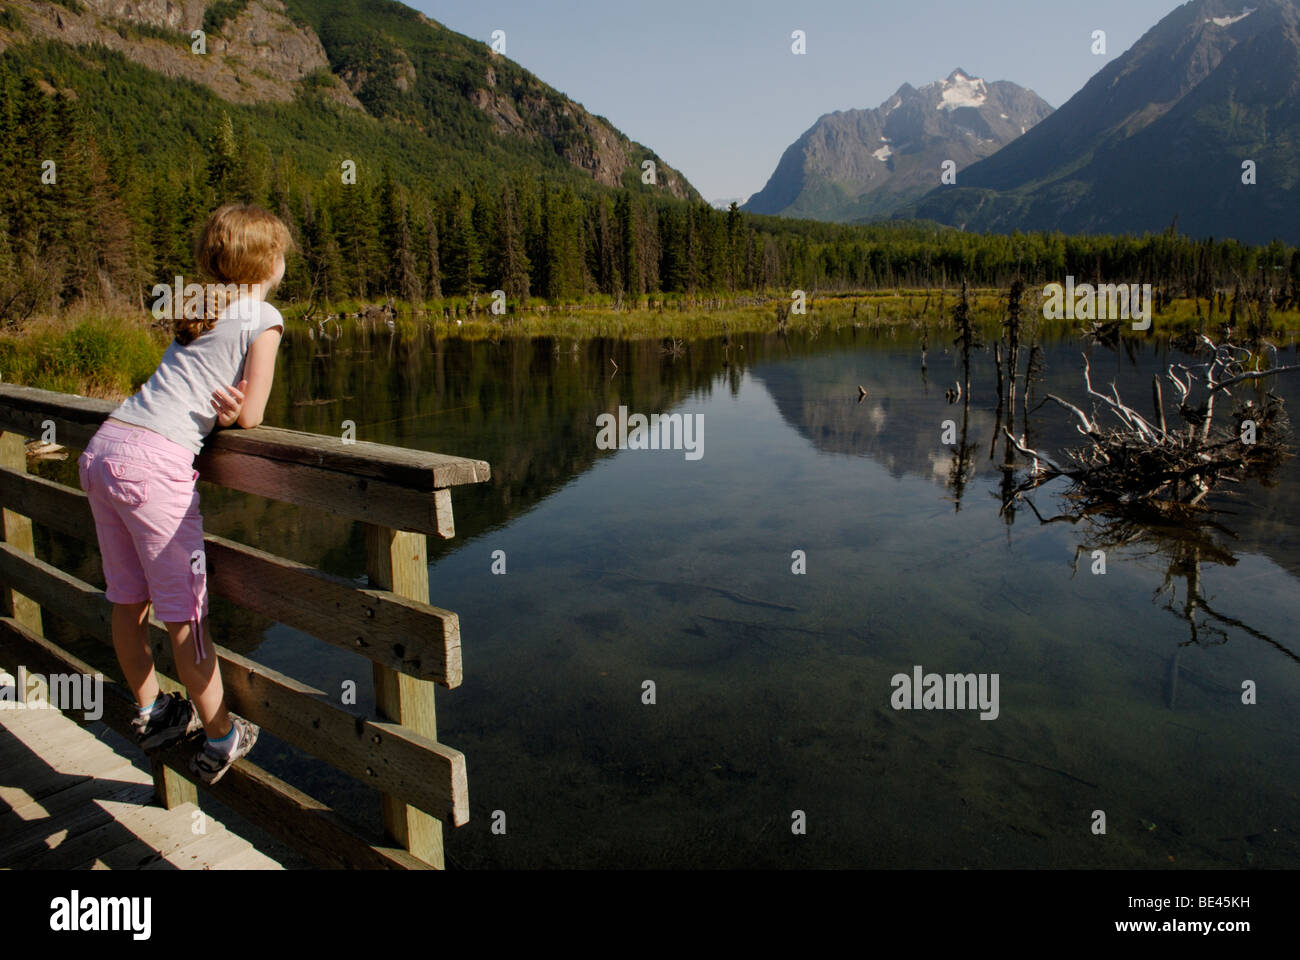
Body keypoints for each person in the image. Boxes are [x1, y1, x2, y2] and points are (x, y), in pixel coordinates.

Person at [77, 203, 292, 785]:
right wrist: (234, 412)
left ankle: (152, 711)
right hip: (153, 468)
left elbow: (188, 384)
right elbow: (252, 415)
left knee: (128, 600)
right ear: (267, 260)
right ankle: (221, 737)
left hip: (105, 451)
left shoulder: (201, 309)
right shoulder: (264, 318)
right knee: (187, 619)